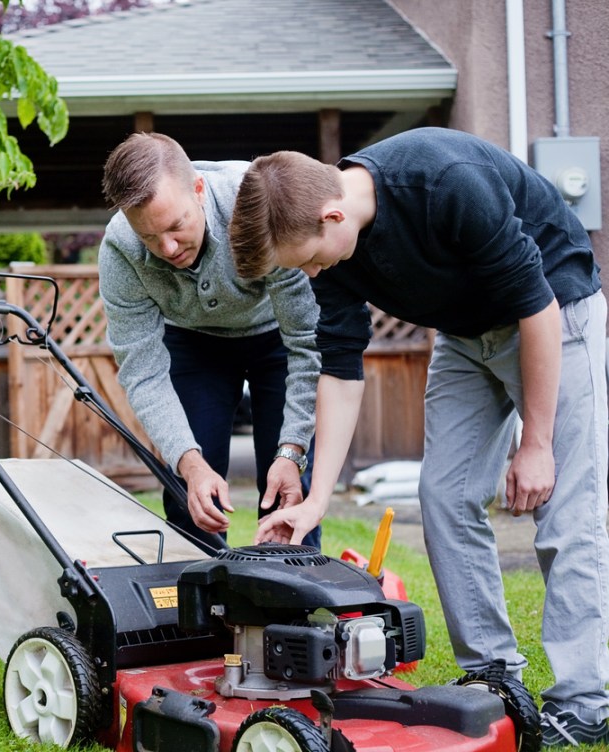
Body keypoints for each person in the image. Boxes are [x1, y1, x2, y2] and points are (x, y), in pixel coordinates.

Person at [229, 126, 609, 746]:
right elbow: (341, 369)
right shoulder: (335, 247)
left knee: (566, 512)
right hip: (465, 335)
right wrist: (316, 499)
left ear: (332, 215)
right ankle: (491, 674)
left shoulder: (445, 182)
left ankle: (582, 704)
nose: (311, 273)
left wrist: (535, 443)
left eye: (308, 260)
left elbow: (535, 306)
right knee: (445, 496)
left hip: (554, 315)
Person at [98, 132, 321, 547]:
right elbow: (143, 372)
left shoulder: (257, 203)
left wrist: (291, 451)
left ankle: (295, 600)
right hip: (194, 343)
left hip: (277, 337)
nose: (166, 247)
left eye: (175, 226)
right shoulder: (119, 249)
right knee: (188, 494)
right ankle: (200, 605)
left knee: (287, 486)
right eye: (149, 236)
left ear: (198, 190)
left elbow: (307, 343)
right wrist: (189, 463)